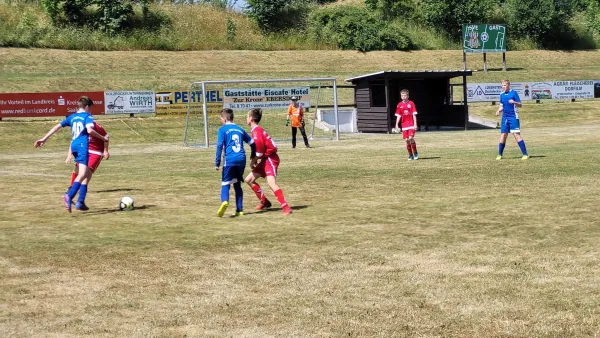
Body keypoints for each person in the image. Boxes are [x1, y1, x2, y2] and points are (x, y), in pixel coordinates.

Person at [34, 96, 109, 212]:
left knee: (85, 174)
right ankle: (69, 195)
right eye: (91, 108)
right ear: (87, 107)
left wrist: (44, 139)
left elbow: (57, 127)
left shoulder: (72, 117)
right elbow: (90, 130)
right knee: (83, 173)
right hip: (82, 146)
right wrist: (103, 138)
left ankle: (80, 202)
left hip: (73, 145)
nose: (91, 111)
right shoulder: (87, 116)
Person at [245, 108, 293, 215]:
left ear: (251, 118)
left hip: (270, 159)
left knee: (271, 183)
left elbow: (260, 153)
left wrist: (253, 161)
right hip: (266, 159)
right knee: (249, 179)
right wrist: (255, 158)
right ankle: (265, 201)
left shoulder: (256, 131)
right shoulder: (256, 130)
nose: (246, 118)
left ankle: (286, 207)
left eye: (247, 116)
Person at [215, 108, 255, 217]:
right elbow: (252, 143)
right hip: (241, 160)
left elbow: (219, 145)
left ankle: (224, 201)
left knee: (225, 183)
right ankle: (239, 209)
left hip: (230, 160)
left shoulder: (222, 130)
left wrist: (217, 162)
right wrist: (253, 155)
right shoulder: (240, 129)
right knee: (237, 183)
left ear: (224, 119)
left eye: (220, 119)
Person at [66, 121, 110, 191]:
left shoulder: (96, 126)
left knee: (87, 171)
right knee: (77, 170)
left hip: (96, 152)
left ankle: (82, 190)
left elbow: (106, 136)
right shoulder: (79, 128)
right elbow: (74, 140)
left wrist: (105, 151)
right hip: (84, 150)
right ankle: (72, 187)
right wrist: (69, 154)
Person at [496, 79, 529, 160]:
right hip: (505, 117)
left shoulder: (513, 93)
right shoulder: (502, 95)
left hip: (513, 117)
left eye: (504, 85)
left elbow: (520, 105)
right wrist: (498, 110)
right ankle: (500, 154)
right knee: (503, 135)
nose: (503, 87)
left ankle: (525, 154)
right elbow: (502, 105)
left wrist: (514, 102)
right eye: (502, 85)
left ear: (508, 85)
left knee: (516, 135)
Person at [394, 89, 419, 160]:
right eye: (402, 95)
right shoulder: (399, 105)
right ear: (401, 96)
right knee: (406, 140)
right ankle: (410, 155)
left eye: (405, 95)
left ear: (408, 96)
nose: (404, 97)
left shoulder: (411, 103)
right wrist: (396, 124)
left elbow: (414, 114)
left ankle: (415, 153)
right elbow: (398, 115)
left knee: (411, 138)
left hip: (411, 124)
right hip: (404, 125)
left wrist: (415, 124)